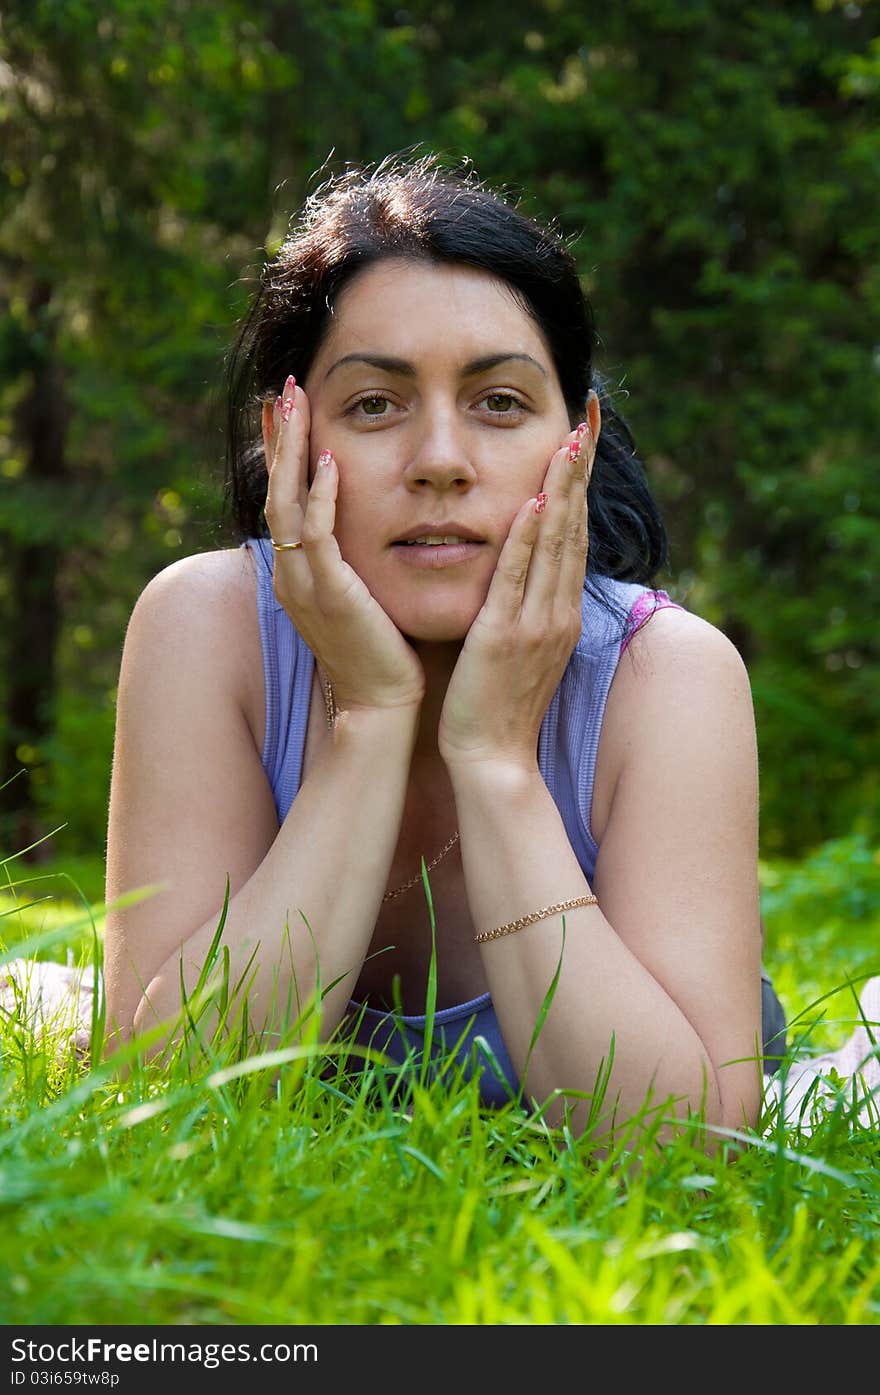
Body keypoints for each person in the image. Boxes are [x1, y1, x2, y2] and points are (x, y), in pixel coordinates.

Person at [102, 150, 788, 1149]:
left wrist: (499, 765)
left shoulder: (665, 674)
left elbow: (684, 1144)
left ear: (579, 440)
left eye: (498, 403)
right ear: (287, 436)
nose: (438, 464)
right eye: (375, 405)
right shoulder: (204, 628)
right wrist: (372, 720)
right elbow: (163, 1099)